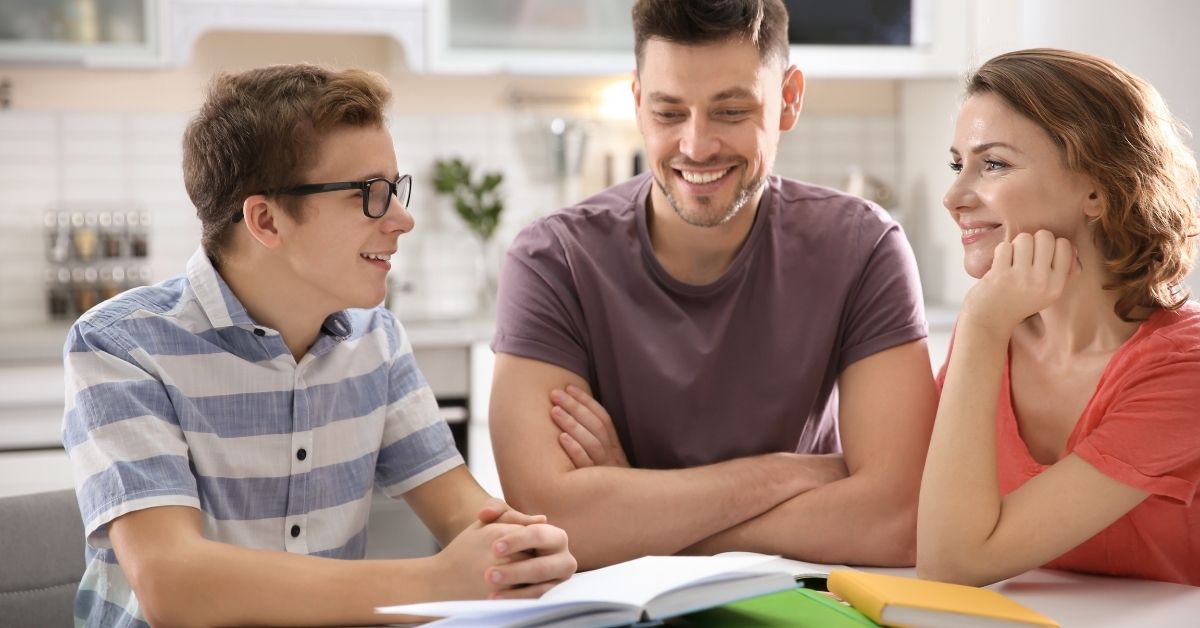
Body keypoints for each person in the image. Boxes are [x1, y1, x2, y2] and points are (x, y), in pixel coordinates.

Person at [62, 64, 576, 627]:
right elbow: (174, 584)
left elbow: (467, 515)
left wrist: (525, 549)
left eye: (395, 189)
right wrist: (435, 581)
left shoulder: (376, 340)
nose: (402, 220)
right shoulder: (119, 346)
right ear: (266, 219)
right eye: (369, 195)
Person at [488, 0, 938, 570]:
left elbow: (898, 520)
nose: (697, 146)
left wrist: (636, 519)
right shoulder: (554, 261)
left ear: (789, 100)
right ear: (637, 104)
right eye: (670, 113)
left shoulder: (864, 247)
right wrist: (787, 473)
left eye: (730, 111)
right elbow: (552, 518)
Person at [918, 48, 1200, 587]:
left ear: (1097, 188)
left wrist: (978, 326)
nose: (954, 197)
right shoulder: (998, 337)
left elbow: (951, 564)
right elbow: (908, 511)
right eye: (959, 165)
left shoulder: (1185, 370)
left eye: (993, 164)